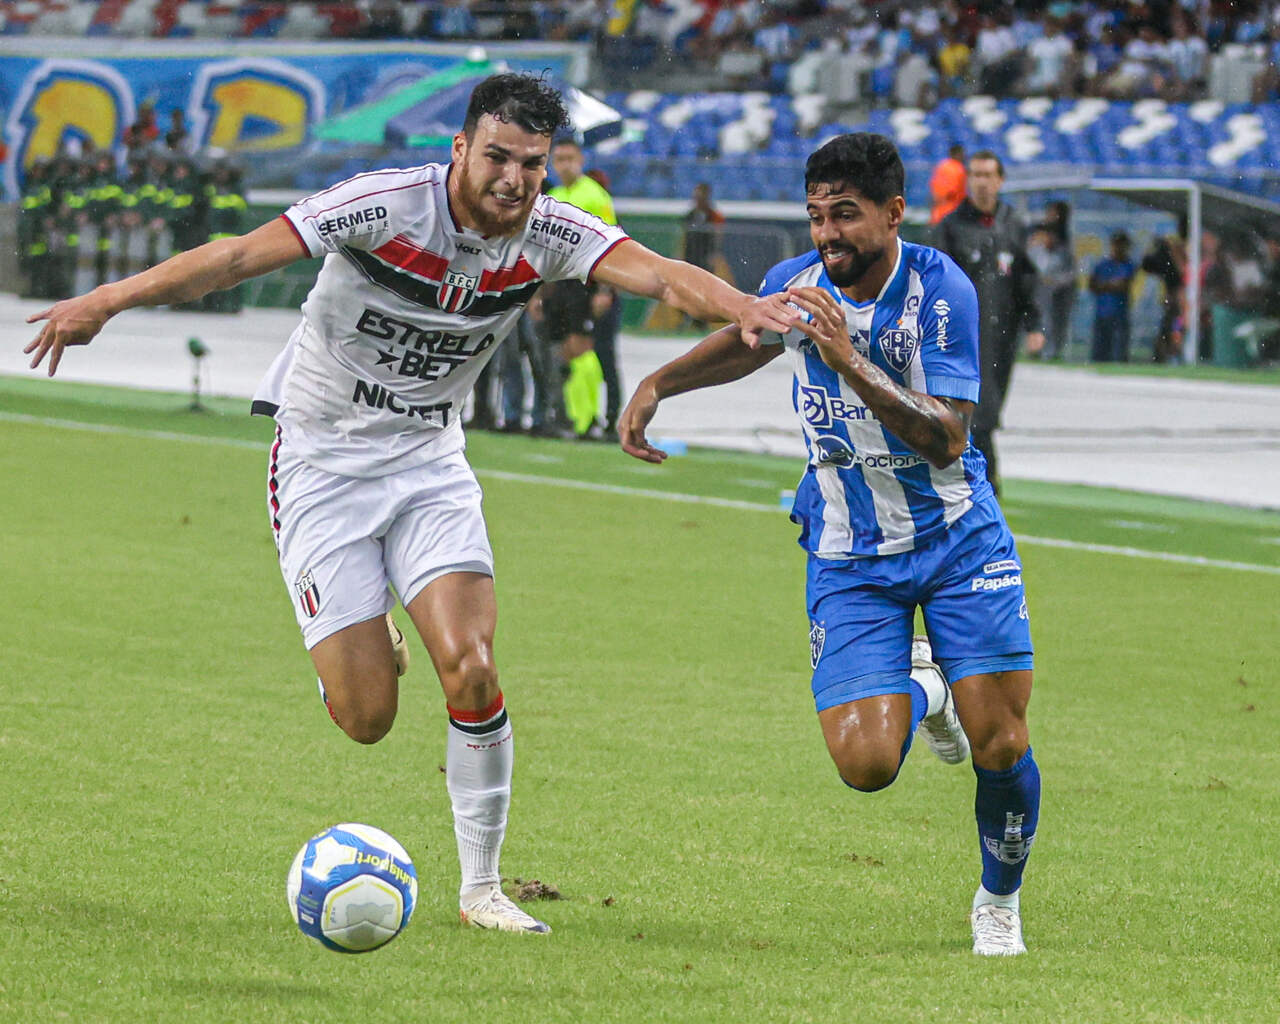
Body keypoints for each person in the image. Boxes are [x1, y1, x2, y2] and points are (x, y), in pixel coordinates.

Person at [22, 72, 795, 936]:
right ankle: (361, 637)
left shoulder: (551, 230)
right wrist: (104, 301)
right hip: (320, 460)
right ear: (460, 149)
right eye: (497, 156)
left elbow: (659, 274)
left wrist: (743, 306)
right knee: (365, 719)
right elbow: (238, 256)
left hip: (429, 460)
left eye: (532, 164)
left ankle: (482, 889)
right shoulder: (384, 205)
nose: (514, 179)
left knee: (471, 664)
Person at [618, 132, 1040, 957]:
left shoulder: (941, 291)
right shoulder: (797, 286)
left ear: (893, 213)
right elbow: (750, 342)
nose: (826, 235)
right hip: (850, 550)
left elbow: (948, 438)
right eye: (815, 218)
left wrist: (845, 355)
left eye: (844, 215)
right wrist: (660, 381)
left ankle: (998, 900)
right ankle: (928, 689)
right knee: (866, 763)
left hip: (957, 539)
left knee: (1002, 743)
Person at [936, 149, 1044, 494]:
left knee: (989, 411)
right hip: (960, 338)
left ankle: (978, 484)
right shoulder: (951, 227)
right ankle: (984, 485)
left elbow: (1027, 279)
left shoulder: (1012, 224)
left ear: (1000, 181)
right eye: (975, 175)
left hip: (1001, 335)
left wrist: (1034, 324)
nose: (981, 183)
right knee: (971, 414)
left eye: (987, 175)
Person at [548, 136, 622, 438]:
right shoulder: (552, 195)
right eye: (559, 160)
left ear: (581, 161)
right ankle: (580, 418)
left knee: (597, 354)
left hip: (590, 285)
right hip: (564, 285)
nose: (564, 165)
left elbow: (612, 244)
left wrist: (605, 290)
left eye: (570, 159)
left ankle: (609, 418)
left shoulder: (595, 196)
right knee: (569, 351)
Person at [1028, 201, 1075, 360]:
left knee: (1056, 321)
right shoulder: (1037, 241)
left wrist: (1057, 281)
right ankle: (1039, 350)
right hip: (1041, 288)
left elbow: (1069, 271)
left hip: (1058, 288)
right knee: (1042, 319)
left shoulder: (1063, 240)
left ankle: (1051, 351)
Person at [1088, 231, 1136, 363]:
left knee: (1118, 353)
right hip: (1102, 313)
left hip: (1119, 314)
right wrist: (1111, 284)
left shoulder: (1128, 264)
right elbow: (1092, 285)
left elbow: (1123, 285)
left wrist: (1103, 285)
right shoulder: (1102, 264)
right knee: (1099, 353)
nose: (1118, 248)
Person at [928, 143, 966, 225]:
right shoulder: (958, 168)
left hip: (937, 215)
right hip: (952, 215)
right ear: (958, 154)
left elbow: (934, 190)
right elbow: (952, 193)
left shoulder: (941, 166)